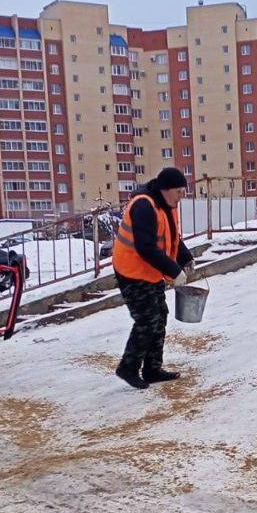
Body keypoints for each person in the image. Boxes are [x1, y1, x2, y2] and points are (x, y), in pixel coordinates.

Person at [111, 166, 196, 389]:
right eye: (179, 191)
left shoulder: (167, 204)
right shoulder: (143, 206)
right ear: (166, 189)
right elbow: (146, 247)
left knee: (161, 315)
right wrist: (174, 270)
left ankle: (152, 369)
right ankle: (128, 368)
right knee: (147, 320)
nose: (182, 196)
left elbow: (170, 236)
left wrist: (185, 257)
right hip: (131, 271)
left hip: (149, 271)